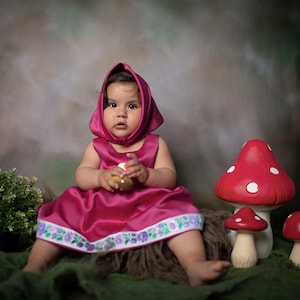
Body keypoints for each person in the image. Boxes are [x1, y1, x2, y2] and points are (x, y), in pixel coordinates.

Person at [23, 62, 230, 286]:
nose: (120, 113)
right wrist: (100, 177)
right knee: (63, 210)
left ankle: (193, 264)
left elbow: (169, 177)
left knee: (180, 213)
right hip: (100, 205)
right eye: (112, 104)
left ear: (147, 110)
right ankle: (36, 264)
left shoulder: (156, 144)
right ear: (101, 109)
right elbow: (82, 175)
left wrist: (147, 175)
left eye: (131, 106)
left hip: (146, 205)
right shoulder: (97, 146)